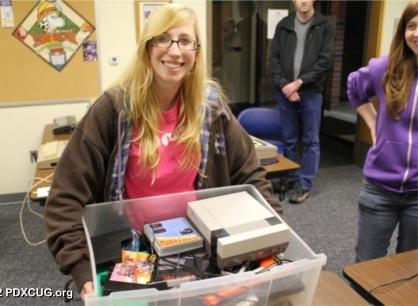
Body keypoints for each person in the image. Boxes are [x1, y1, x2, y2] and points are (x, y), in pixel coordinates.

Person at [43, 3, 284, 301]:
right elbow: (64, 198)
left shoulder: (211, 108)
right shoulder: (113, 110)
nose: (174, 51)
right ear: (147, 47)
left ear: (195, 53)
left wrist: (274, 238)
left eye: (185, 41)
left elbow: (251, 176)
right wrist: (81, 268)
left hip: (199, 244)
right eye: (163, 38)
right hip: (132, 245)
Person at [347, 0, 418, 263]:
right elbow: (354, 87)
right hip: (380, 188)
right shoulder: (385, 68)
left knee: (409, 270)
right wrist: (373, 121)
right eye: (411, 26)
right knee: (367, 267)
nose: (417, 33)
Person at [269, 0, 334, 204]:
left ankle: (304, 184)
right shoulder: (284, 24)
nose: (303, 1)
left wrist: (299, 83)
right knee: (289, 138)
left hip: (311, 92)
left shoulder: (324, 25)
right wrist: (286, 86)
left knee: (310, 141)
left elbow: (325, 60)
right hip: (286, 91)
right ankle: (291, 177)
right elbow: (274, 60)